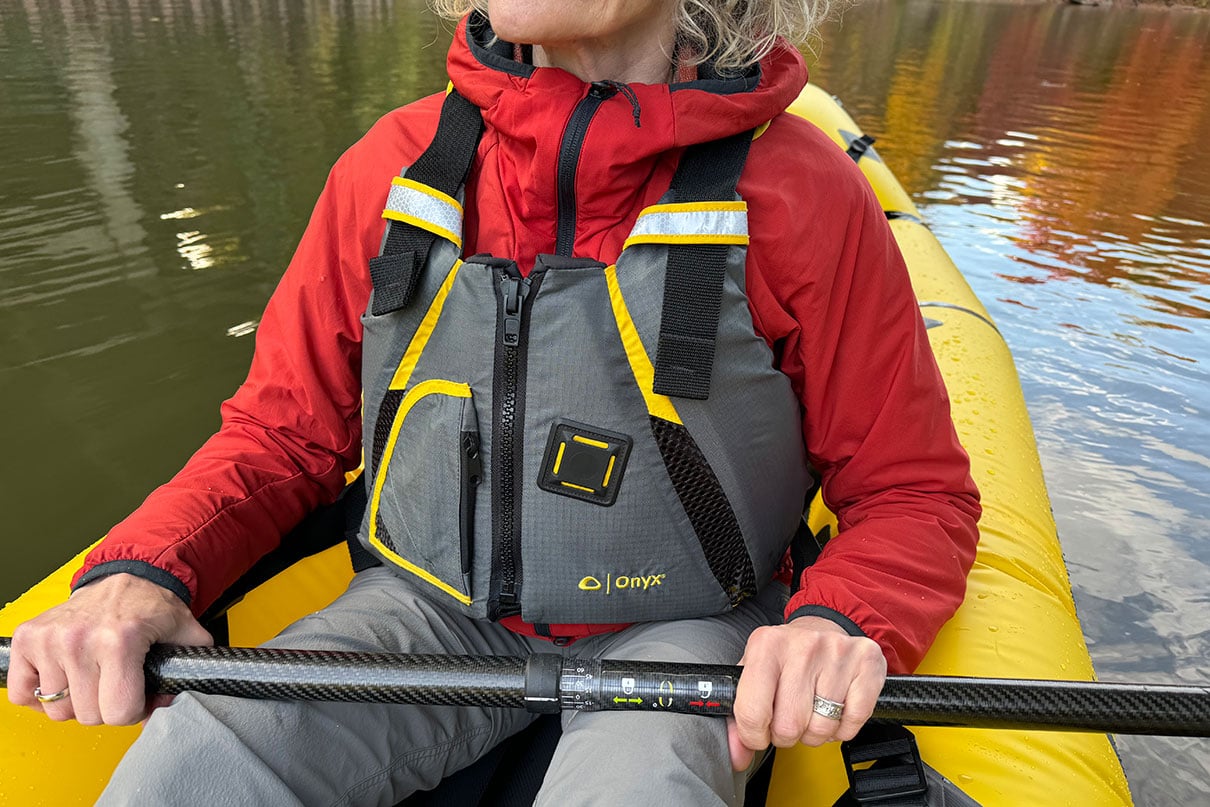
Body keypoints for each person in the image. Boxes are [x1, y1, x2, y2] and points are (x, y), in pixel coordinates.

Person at [8, 1, 980, 804]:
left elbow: (912, 494)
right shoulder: (387, 169)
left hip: (685, 632)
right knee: (195, 763)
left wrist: (836, 624)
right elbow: (282, 434)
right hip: (429, 609)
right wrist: (144, 568)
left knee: (643, 789)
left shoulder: (800, 197)